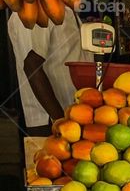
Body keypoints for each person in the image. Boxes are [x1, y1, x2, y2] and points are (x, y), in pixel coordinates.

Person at [8, 7, 84, 135]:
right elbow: (31, 66)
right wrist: (60, 122)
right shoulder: (33, 11)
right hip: (50, 120)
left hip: (74, 114)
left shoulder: (64, 8)